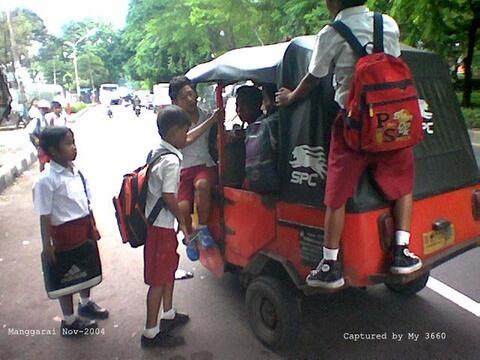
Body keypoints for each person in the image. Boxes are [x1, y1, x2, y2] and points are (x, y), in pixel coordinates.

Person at [276, 0, 422, 288]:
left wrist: (290, 97)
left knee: (336, 193)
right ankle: (401, 252)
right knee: (403, 184)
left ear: (333, 2)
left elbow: (314, 77)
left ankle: (330, 264)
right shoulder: (388, 24)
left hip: (353, 126)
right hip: (390, 122)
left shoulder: (331, 34)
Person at [32, 126, 109, 336]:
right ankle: (69, 320)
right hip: (64, 233)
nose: (74, 147)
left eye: (73, 142)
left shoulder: (75, 170)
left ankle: (86, 303)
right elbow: (44, 214)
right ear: (54, 151)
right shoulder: (46, 180)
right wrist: (46, 244)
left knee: (86, 266)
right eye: (68, 144)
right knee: (66, 274)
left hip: (83, 226)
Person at [142, 105, 192, 348]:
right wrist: (183, 221)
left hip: (159, 226)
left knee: (168, 271)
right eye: (184, 132)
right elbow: (169, 196)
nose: (186, 136)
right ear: (173, 132)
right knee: (159, 279)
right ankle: (151, 333)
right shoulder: (170, 161)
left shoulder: (157, 150)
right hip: (161, 227)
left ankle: (168, 314)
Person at [168, 76, 222, 251]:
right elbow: (185, 140)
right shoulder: (174, 122)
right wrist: (210, 122)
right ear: (175, 102)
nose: (190, 99)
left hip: (205, 165)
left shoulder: (206, 114)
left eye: (191, 94)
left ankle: (203, 228)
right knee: (182, 208)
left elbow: (217, 138)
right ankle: (189, 237)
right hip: (183, 170)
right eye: (184, 97)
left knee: (203, 185)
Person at [26, 99, 53, 171]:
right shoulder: (36, 119)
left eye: (45, 109)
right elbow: (30, 132)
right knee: (42, 161)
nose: (44, 111)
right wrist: (36, 139)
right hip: (40, 142)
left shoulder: (48, 118)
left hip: (47, 142)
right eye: (43, 109)